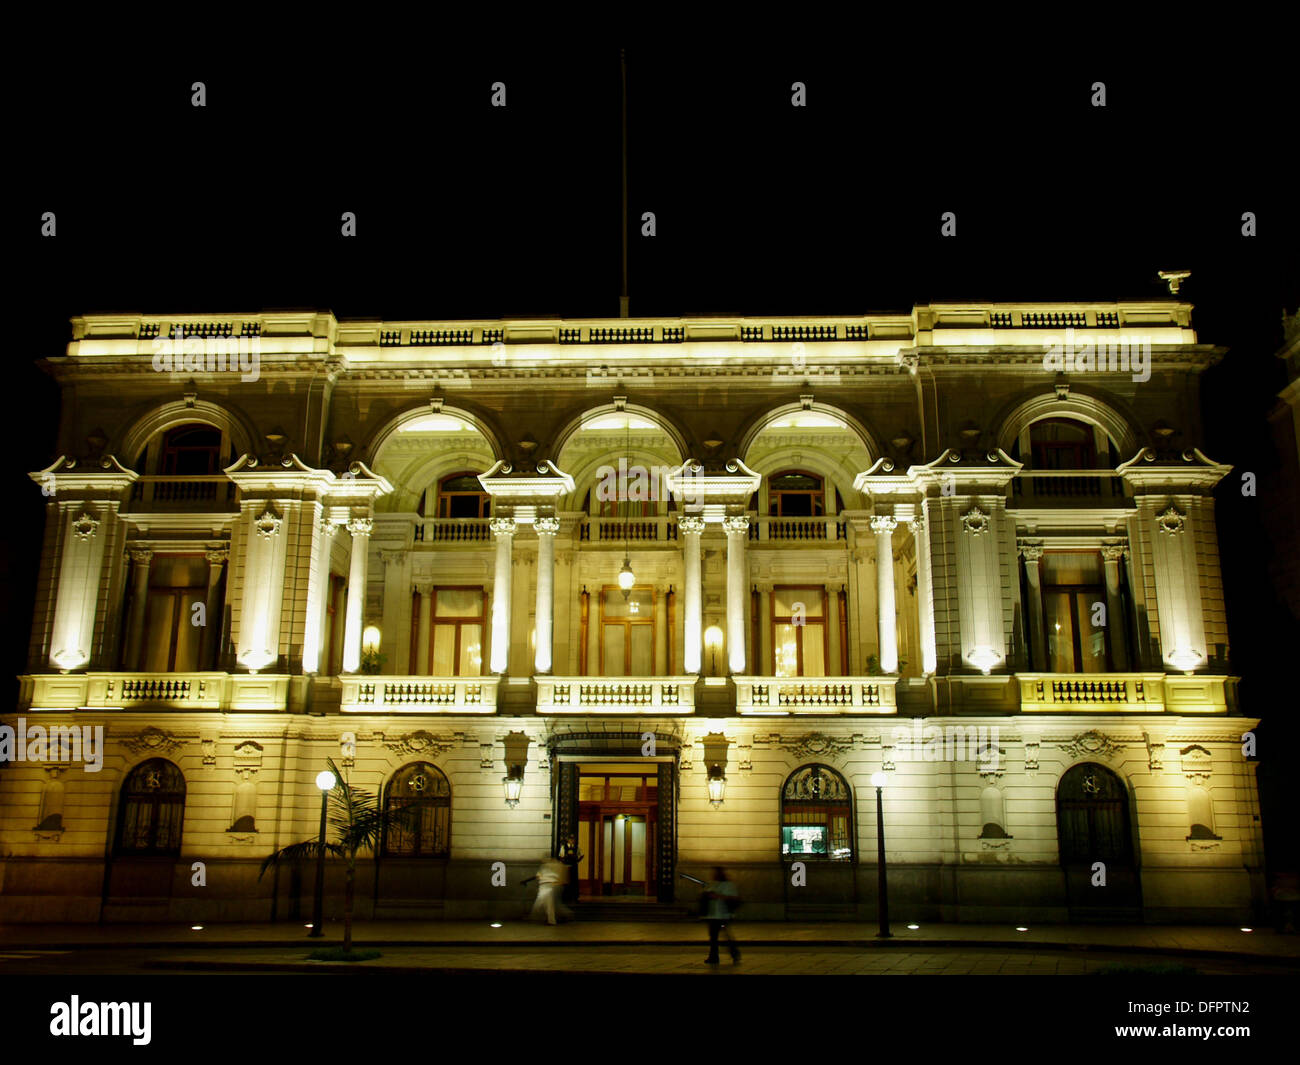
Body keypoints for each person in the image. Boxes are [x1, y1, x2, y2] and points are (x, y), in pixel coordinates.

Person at [701, 866, 741, 964]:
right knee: (713, 938)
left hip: (722, 915)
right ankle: (714, 957)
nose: (713, 875)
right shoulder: (712, 883)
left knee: (725, 937)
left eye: (715, 873)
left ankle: (734, 953)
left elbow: (733, 898)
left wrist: (718, 896)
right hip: (712, 915)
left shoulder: (728, 885)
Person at [527, 857, 571, 925]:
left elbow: (537, 876)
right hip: (553, 885)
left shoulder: (545, 866)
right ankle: (553, 918)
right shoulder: (558, 865)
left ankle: (552, 919)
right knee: (552, 903)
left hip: (548, 886)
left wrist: (526, 881)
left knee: (547, 904)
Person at [558, 834, 583, 905]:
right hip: (567, 866)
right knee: (567, 881)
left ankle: (575, 897)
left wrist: (577, 861)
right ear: (568, 840)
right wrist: (564, 862)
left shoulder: (576, 847)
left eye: (573, 839)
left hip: (574, 866)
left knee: (574, 881)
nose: (572, 840)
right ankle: (566, 897)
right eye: (570, 839)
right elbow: (561, 856)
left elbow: (581, 855)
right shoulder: (563, 847)